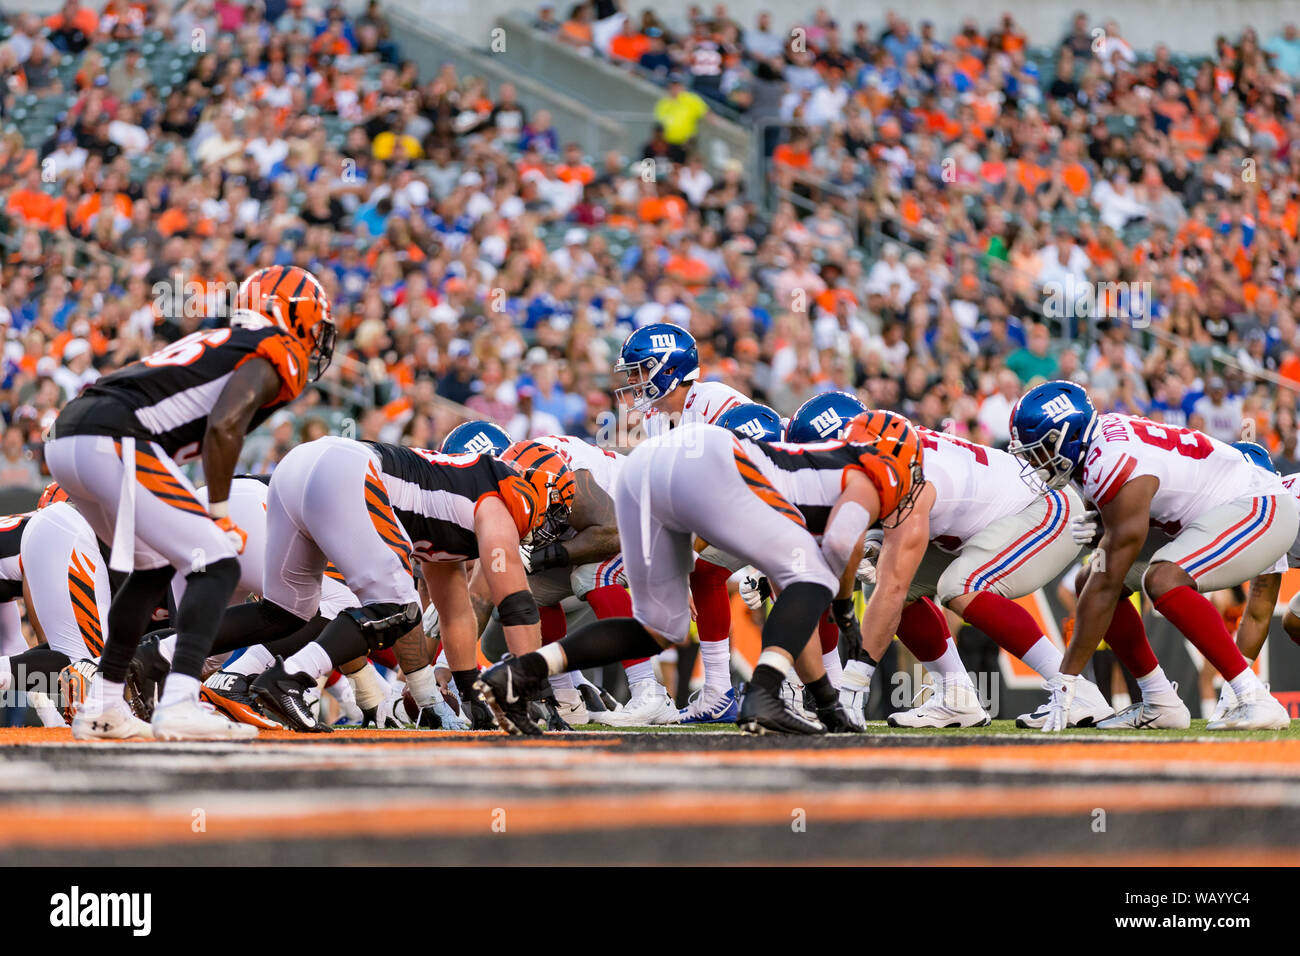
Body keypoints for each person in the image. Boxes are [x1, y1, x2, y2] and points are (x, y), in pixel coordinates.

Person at [477, 412, 924, 735]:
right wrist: (843, 603)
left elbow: (800, 583)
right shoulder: (875, 467)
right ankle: (762, 694)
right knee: (810, 575)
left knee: (660, 628)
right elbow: (839, 549)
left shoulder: (822, 464)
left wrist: (827, 702)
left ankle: (521, 673)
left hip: (646, 471)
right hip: (710, 465)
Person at [45, 265, 336, 741]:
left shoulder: (226, 340)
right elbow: (224, 426)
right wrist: (219, 513)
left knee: (154, 568)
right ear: (292, 315)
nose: (317, 340)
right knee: (216, 562)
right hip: (112, 436)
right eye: (316, 325)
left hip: (70, 434)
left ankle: (104, 704)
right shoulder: (272, 347)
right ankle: (179, 702)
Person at [1008, 380, 1296, 732]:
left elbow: (1108, 577)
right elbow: (1106, 561)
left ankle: (1251, 696)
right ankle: (1160, 701)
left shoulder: (1113, 462)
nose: (1032, 460)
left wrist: (1066, 680)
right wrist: (1102, 531)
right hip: (1210, 514)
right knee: (1088, 579)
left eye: (1037, 449)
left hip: (1259, 505)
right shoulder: (1095, 449)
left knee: (1157, 579)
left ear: (1064, 437)